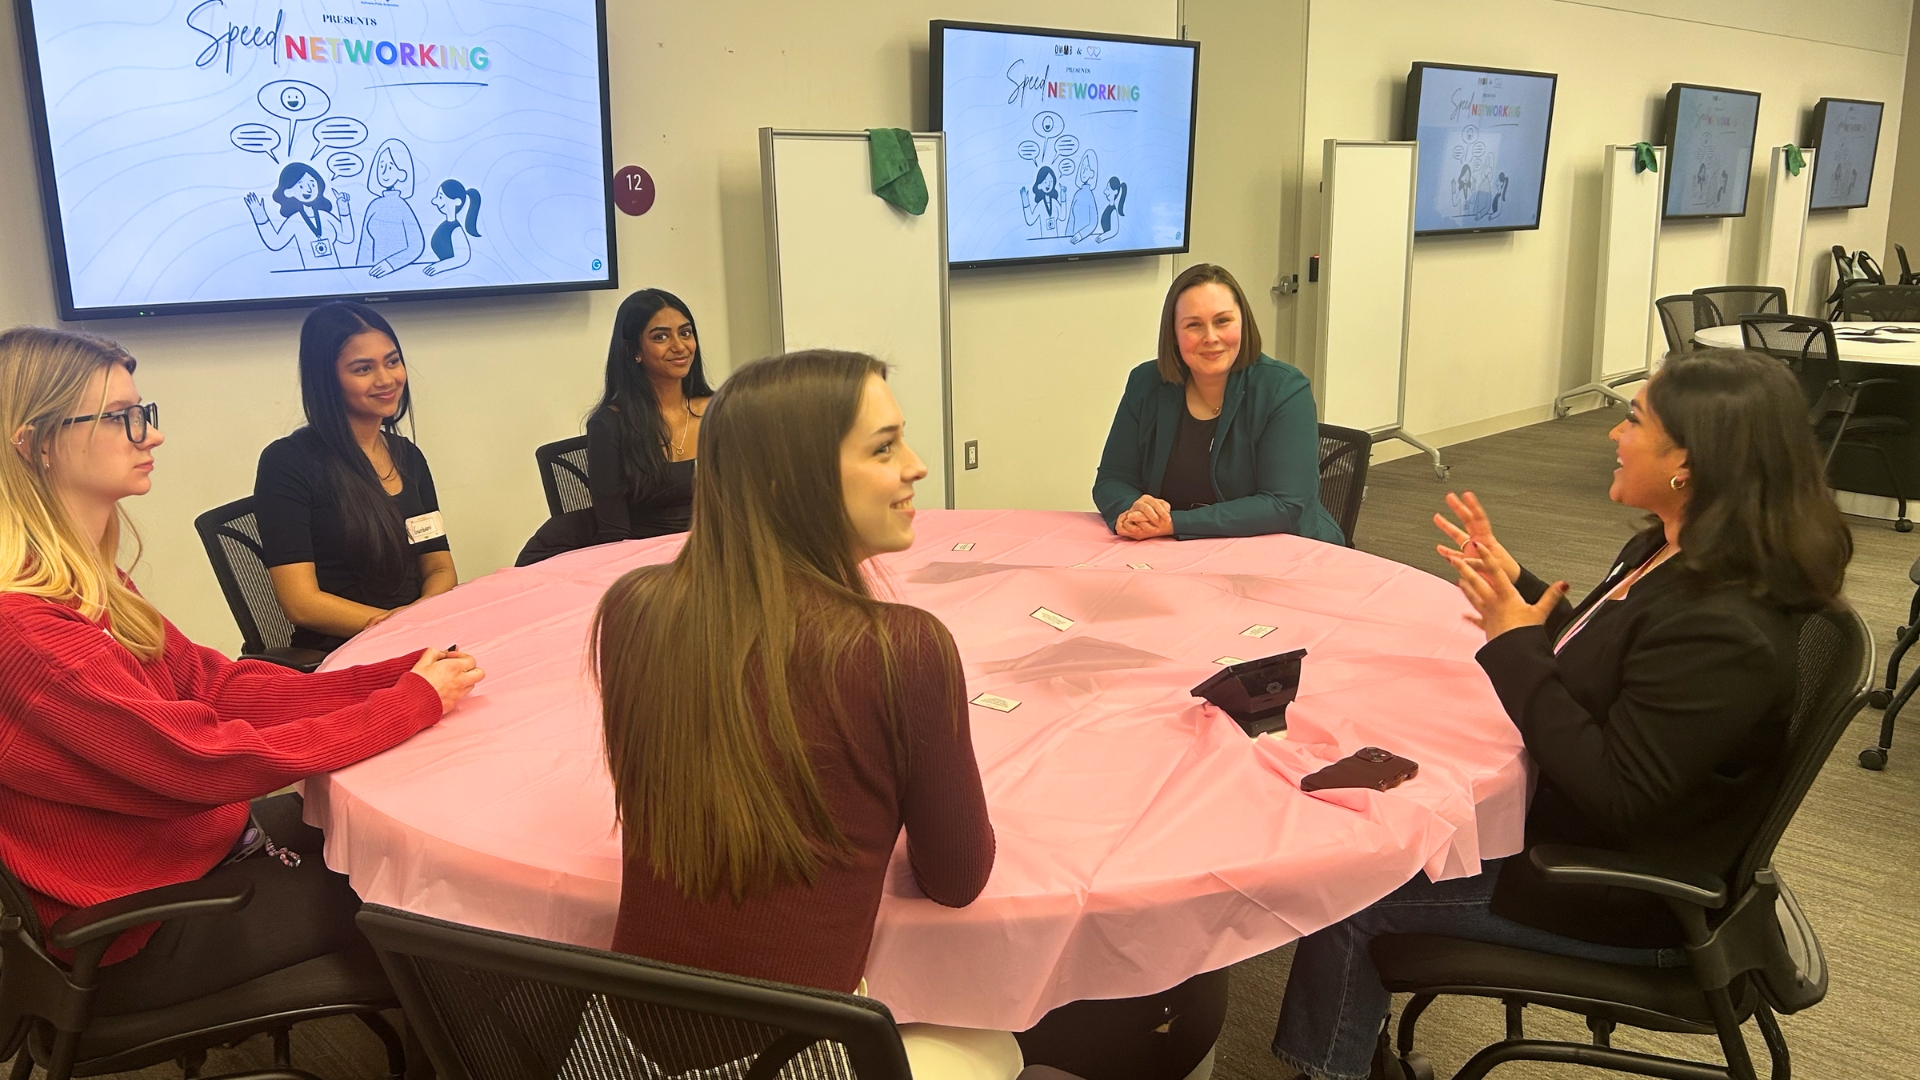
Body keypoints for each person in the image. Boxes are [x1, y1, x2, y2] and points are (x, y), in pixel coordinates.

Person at [1268, 349, 1853, 1080]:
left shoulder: (1726, 624)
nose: (1614, 433)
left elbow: (1615, 792)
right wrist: (1517, 583)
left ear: (1689, 466)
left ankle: (1329, 1070)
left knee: (1351, 893)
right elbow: (1614, 659)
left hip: (1622, 895)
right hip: (1592, 844)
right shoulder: (1675, 549)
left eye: (1635, 420)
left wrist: (1513, 645)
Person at [0, 325, 482, 1009]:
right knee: (447, 905)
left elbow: (212, 684)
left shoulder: (83, 581)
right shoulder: (29, 628)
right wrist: (407, 705)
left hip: (197, 856)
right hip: (147, 926)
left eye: (146, 414)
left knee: (421, 857)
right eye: (121, 418)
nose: (150, 435)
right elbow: (202, 761)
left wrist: (389, 677)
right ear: (34, 443)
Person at [596, 350, 1012, 1079]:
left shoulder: (633, 610)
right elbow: (957, 878)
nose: (916, 466)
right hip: (780, 1061)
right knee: (1003, 1045)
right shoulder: (900, 649)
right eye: (884, 448)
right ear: (790, 480)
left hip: (612, 1049)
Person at [1094, 263, 1345, 544]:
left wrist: (1173, 523)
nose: (1210, 337)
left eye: (1223, 321)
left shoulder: (1284, 389)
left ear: (1243, 323)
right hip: (1172, 551)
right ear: (1174, 336)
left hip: (1278, 551)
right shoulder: (1146, 383)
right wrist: (1130, 508)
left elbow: (1284, 506)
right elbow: (1112, 479)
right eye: (1194, 325)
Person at [255, 302, 456, 652]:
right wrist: (396, 627)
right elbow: (301, 602)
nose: (386, 379)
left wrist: (415, 621)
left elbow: (440, 567)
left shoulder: (407, 456)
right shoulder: (287, 462)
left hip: (417, 638)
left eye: (392, 361)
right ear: (327, 379)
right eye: (363, 369)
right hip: (340, 651)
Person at [514, 289, 713, 565]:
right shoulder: (610, 424)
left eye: (686, 333)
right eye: (660, 337)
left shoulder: (721, 410)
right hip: (641, 562)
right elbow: (615, 536)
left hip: (708, 552)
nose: (679, 346)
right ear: (634, 351)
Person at [245, 161, 354, 269]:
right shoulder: (294, 220)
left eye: (312, 183)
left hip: (338, 275)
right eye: (301, 186)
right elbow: (276, 243)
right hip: (309, 277)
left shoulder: (325, 216)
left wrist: (343, 207)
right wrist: (260, 216)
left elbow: (347, 237)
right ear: (289, 192)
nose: (309, 189)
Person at [358, 139, 425, 278]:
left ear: (402, 174)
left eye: (389, 167)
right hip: (373, 279)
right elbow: (365, 246)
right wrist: (358, 277)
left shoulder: (401, 206)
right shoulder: (373, 205)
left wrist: (390, 264)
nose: (384, 172)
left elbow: (416, 246)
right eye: (381, 166)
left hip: (401, 277)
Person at [422, 179, 481, 276]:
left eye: (440, 197)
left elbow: (462, 257)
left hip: (453, 276)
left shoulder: (456, 230)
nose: (434, 201)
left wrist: (438, 267)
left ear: (457, 202)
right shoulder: (444, 226)